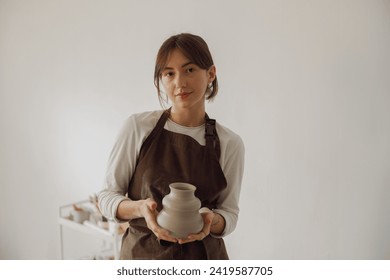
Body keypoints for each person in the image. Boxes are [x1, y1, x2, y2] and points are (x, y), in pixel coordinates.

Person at [97, 33, 245, 259]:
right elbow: (107, 197)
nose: (179, 83)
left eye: (190, 70)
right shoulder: (138, 127)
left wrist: (210, 220)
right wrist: (140, 209)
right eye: (169, 73)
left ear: (211, 74)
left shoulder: (230, 143)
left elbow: (229, 214)